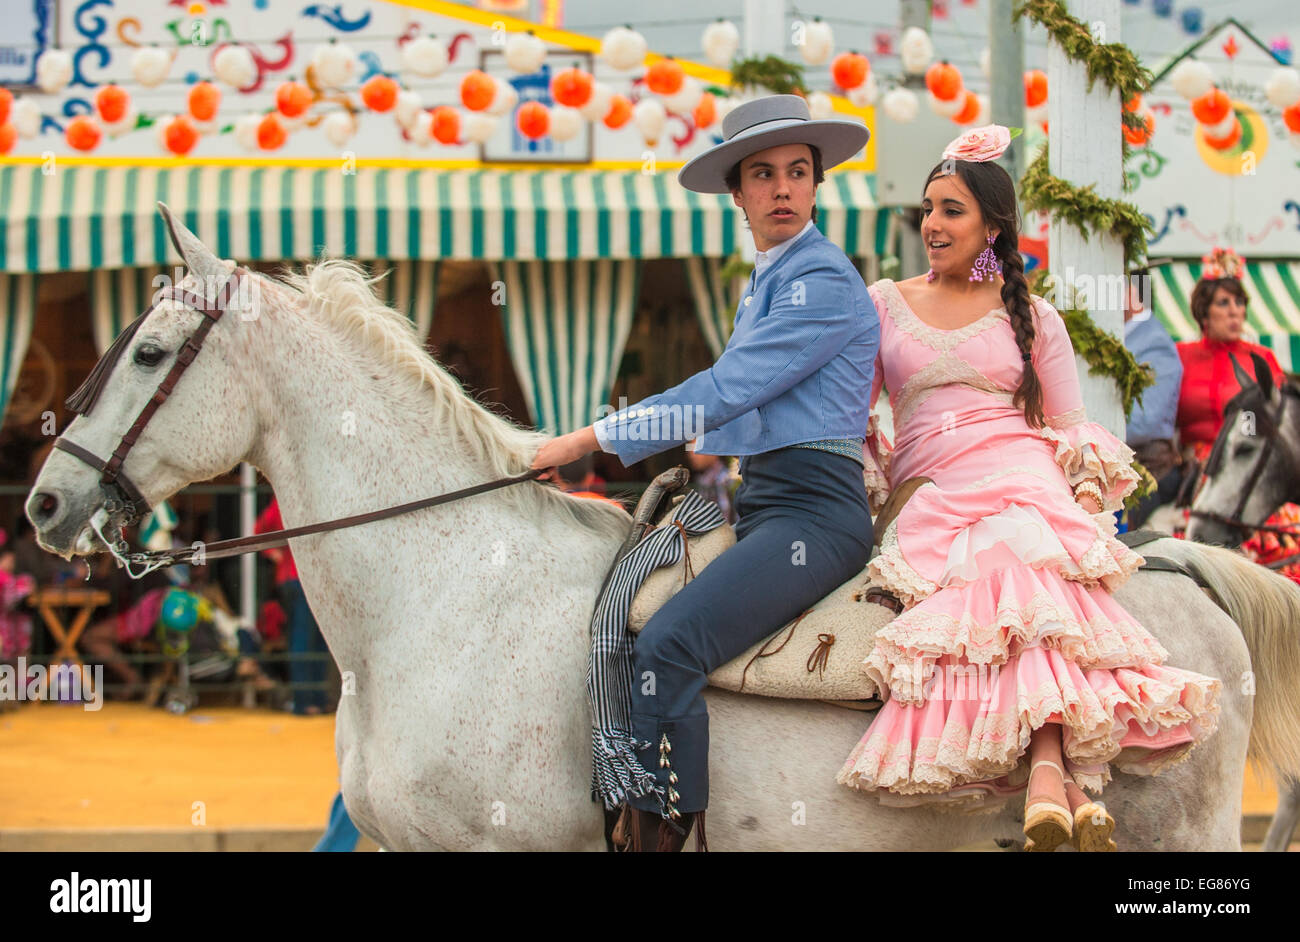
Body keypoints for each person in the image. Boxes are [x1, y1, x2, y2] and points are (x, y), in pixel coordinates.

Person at [836, 126, 1221, 852]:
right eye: (928, 208)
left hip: (1023, 477)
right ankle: (1068, 788)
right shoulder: (882, 300)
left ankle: (1046, 771)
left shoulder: (1036, 317)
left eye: (951, 210)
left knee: (1020, 551)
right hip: (932, 492)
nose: (932, 224)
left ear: (992, 227)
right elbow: (858, 420)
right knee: (1003, 560)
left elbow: (1073, 429)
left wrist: (1078, 512)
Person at [531, 95, 878, 852]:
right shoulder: (766, 282)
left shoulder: (817, 280)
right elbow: (733, 405)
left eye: (797, 172)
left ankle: (662, 838)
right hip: (765, 505)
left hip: (813, 518)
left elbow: (723, 390)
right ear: (739, 193)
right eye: (764, 175)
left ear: (816, 185)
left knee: (670, 641)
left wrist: (581, 440)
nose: (782, 189)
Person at [1122, 265, 1184, 528]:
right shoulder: (1126, 335)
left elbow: (1144, 423)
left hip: (1148, 470)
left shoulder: (1154, 342)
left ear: (1133, 293)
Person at [255, 496, 329, 715]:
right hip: (301, 577)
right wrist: (275, 554)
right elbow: (259, 531)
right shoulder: (291, 499)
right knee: (308, 639)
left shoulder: (281, 501)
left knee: (310, 639)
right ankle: (307, 700)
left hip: (296, 576)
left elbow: (259, 530)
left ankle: (311, 699)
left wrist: (274, 554)